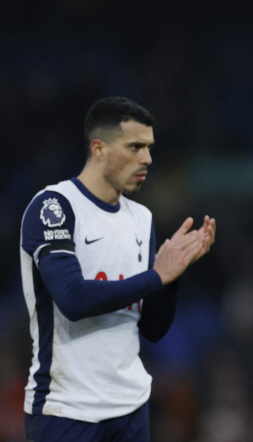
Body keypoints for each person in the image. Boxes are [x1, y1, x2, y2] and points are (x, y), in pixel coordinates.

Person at [20, 96, 216, 442]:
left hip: (130, 410)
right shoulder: (55, 207)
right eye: (135, 147)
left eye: (150, 147)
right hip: (67, 409)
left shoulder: (141, 218)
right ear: (100, 149)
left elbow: (152, 329)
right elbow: (74, 299)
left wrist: (172, 276)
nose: (148, 159)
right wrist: (156, 276)